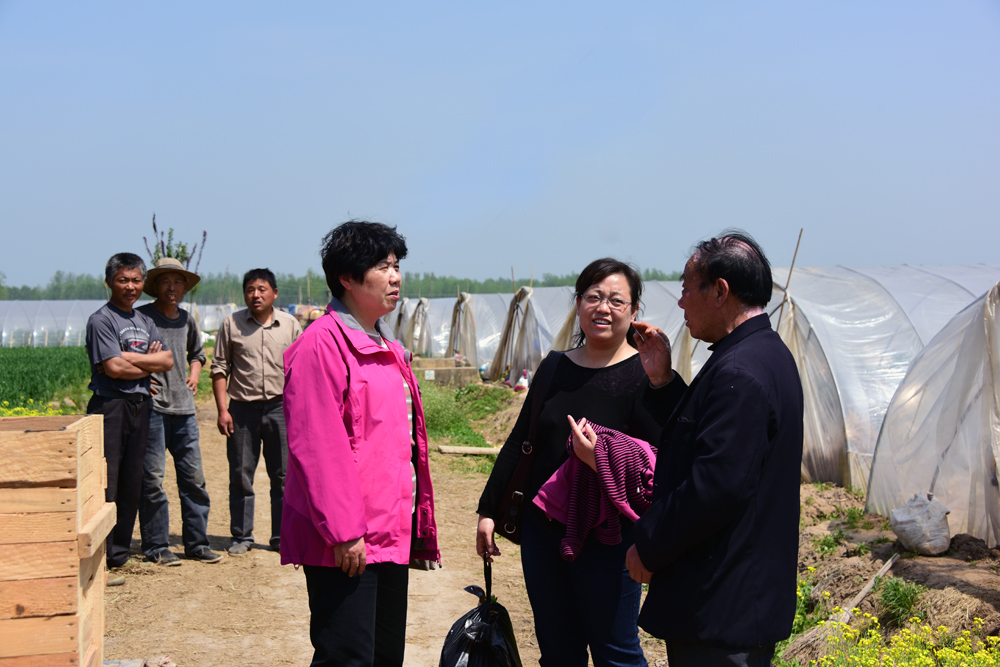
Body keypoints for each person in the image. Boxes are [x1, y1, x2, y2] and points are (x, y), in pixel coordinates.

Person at [476, 258, 686, 667]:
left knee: (615, 653)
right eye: (593, 297)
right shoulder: (555, 366)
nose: (603, 308)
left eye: (616, 301)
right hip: (543, 533)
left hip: (610, 539)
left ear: (634, 311)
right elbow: (521, 440)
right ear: (577, 304)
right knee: (558, 651)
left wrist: (601, 459)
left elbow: (664, 458)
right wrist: (488, 510)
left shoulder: (645, 374)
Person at [626, 231, 804, 667]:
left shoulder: (740, 370)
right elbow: (708, 440)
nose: (681, 302)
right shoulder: (759, 354)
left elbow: (716, 486)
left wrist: (648, 544)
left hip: (723, 603)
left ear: (720, 291)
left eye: (687, 289)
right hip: (735, 599)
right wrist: (663, 381)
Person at [281, 220, 440, 667]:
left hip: (388, 531)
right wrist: (344, 531)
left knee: (384, 656)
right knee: (347, 657)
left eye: (396, 266)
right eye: (382, 267)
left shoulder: (385, 343)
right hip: (347, 539)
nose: (395, 277)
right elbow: (319, 448)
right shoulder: (321, 345)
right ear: (347, 278)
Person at [86, 252, 174, 586]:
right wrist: (144, 365)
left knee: (132, 481)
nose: (130, 286)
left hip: (141, 404)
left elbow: (166, 361)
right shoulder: (101, 320)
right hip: (111, 406)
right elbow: (113, 368)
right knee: (106, 482)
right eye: (123, 280)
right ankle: (101, 558)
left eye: (136, 280)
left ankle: (119, 553)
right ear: (109, 282)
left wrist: (127, 358)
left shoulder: (144, 320)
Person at [137, 257, 222, 566]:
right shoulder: (142, 318)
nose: (171, 287)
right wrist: (141, 380)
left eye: (177, 282)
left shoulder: (186, 320)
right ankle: (157, 546)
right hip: (153, 409)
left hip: (185, 410)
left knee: (193, 479)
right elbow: (130, 356)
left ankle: (197, 544)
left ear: (185, 287)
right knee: (153, 480)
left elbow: (197, 353)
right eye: (165, 282)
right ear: (155, 286)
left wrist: (195, 374)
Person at [211, 268, 301, 556]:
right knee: (240, 474)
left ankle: (281, 536)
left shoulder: (290, 325)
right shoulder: (231, 324)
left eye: (262, 289)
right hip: (242, 410)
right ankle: (241, 536)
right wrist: (222, 410)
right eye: (250, 290)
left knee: (283, 477)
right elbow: (219, 368)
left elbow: (301, 368)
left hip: (280, 409)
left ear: (275, 293)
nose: (256, 295)